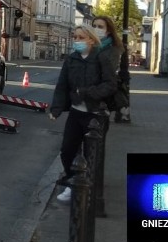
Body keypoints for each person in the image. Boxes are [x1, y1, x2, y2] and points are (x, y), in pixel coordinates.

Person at [48, 25, 117, 202]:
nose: (76, 41)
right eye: (75, 37)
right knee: (67, 150)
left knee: (91, 152)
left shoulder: (101, 58)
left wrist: (88, 92)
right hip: (76, 112)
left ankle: (89, 190)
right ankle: (73, 181)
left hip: (96, 114)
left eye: (81, 38)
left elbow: (110, 84)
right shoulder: (71, 59)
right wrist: (56, 109)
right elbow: (62, 85)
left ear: (91, 40)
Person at [91, 16, 127, 122]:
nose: (96, 29)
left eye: (100, 27)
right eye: (94, 26)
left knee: (96, 133)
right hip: (87, 97)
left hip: (101, 99)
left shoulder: (113, 49)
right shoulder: (90, 45)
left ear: (108, 31)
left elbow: (108, 77)